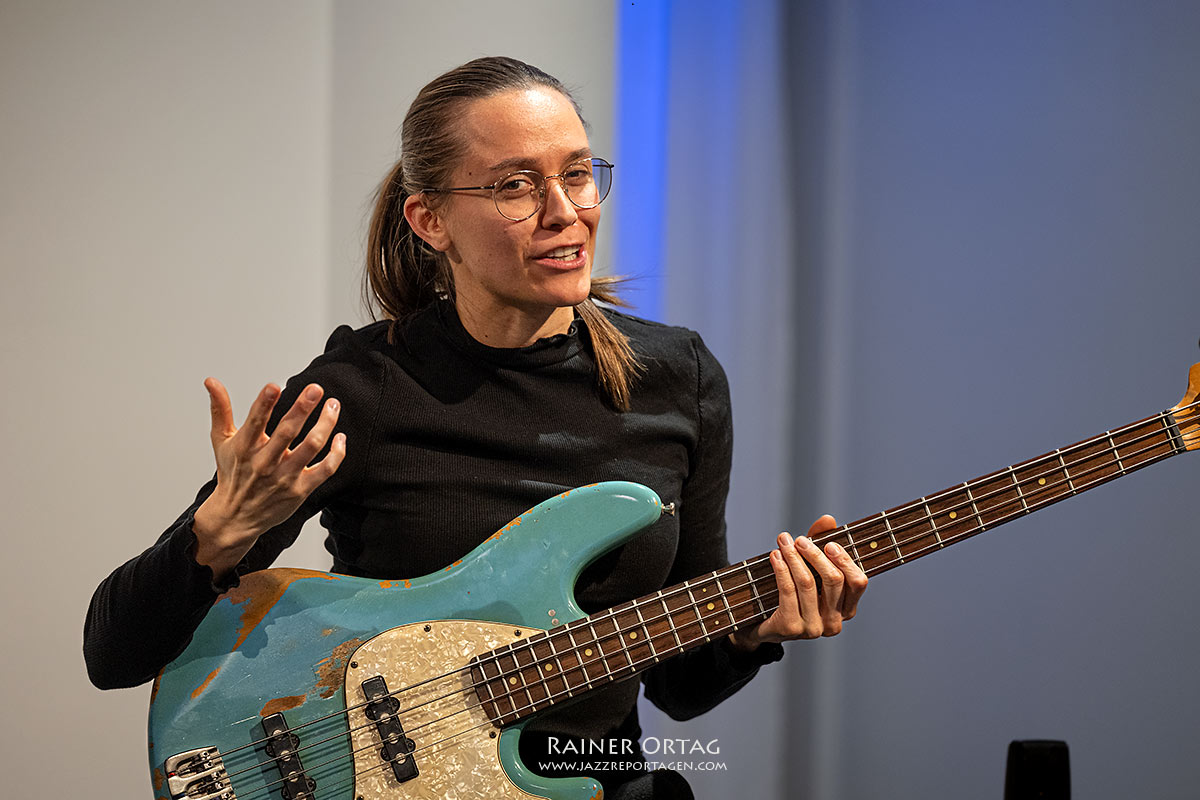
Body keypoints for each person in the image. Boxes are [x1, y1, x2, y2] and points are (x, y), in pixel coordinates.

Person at [84, 56, 868, 800]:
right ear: (430, 220)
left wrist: (753, 632)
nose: (565, 211)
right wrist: (217, 535)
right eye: (516, 186)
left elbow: (679, 689)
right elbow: (114, 653)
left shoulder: (679, 380)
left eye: (576, 174)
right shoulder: (359, 392)